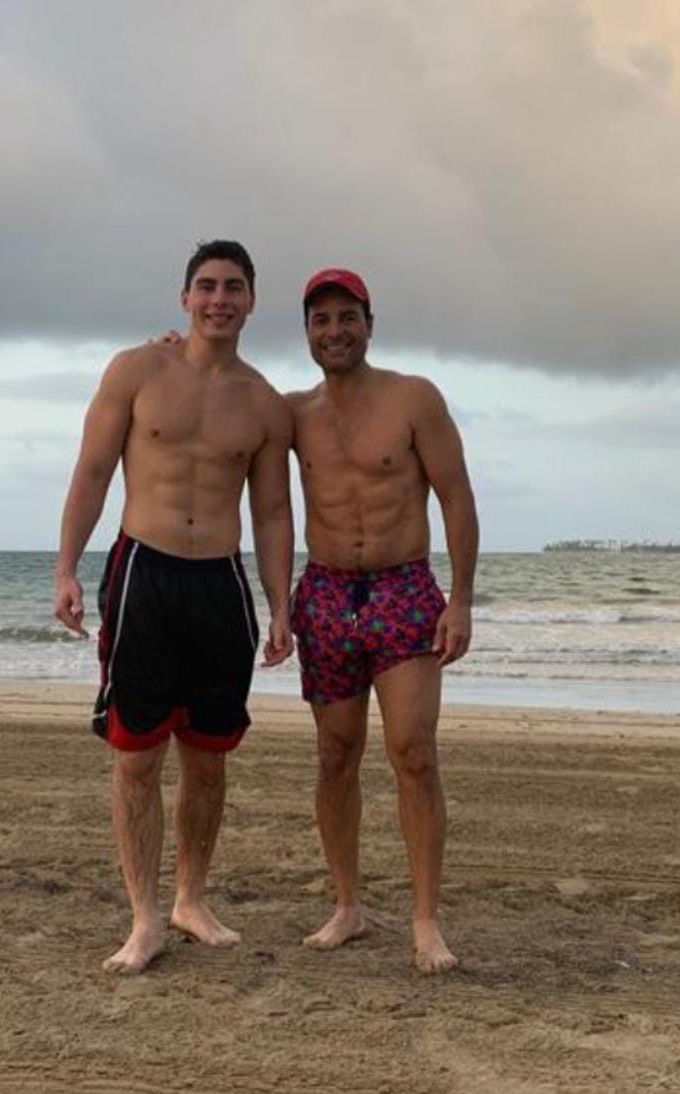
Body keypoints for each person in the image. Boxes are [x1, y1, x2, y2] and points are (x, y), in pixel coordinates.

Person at [53, 240, 294, 975]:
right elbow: (93, 471)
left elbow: (273, 514)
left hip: (219, 581)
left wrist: (281, 606)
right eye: (207, 286)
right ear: (185, 298)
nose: (219, 299)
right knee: (136, 757)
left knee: (208, 759)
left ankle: (191, 899)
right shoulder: (137, 371)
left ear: (251, 301)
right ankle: (144, 918)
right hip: (144, 574)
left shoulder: (265, 403)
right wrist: (66, 568)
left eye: (233, 287)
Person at [287, 268, 479, 974]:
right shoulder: (292, 413)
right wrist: (174, 349)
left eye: (347, 317)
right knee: (335, 755)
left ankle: (426, 922)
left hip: (403, 589)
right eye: (321, 320)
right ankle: (348, 906)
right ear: (307, 333)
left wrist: (461, 599)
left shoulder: (414, 398)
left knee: (413, 752)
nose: (334, 331)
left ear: (370, 324)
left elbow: (457, 498)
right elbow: (225, 402)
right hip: (327, 593)